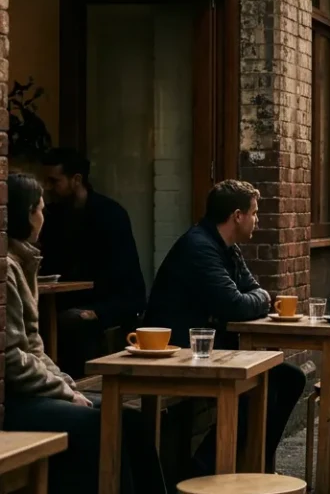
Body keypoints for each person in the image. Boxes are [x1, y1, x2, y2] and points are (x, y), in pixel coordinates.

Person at [3, 173, 167, 494]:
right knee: (101, 424)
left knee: (132, 421)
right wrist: (65, 392)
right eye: (39, 209)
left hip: (30, 392)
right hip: (13, 400)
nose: (44, 217)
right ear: (25, 215)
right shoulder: (7, 268)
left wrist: (64, 382)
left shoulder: (22, 262)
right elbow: (12, 358)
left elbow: (33, 348)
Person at [144, 180, 307, 475]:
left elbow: (254, 292)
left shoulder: (227, 248)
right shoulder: (200, 247)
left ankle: (252, 462)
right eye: (254, 213)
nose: (257, 219)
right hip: (178, 350)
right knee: (260, 383)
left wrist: (258, 298)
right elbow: (237, 305)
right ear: (237, 216)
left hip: (207, 348)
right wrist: (259, 299)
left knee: (290, 378)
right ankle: (205, 467)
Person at [39, 148, 147, 377]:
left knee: (73, 327)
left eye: (54, 181)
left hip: (104, 306)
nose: (47, 188)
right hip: (60, 304)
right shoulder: (51, 217)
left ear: (76, 180)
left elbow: (129, 285)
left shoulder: (110, 216)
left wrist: (96, 312)